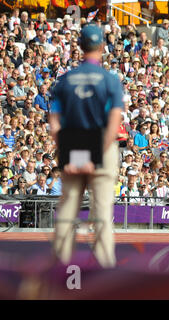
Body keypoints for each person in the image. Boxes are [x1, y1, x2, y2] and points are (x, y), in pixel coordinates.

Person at [49, 25, 123, 269]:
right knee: (102, 212)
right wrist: (95, 155)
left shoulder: (65, 81)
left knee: (68, 208)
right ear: (102, 47)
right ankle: (103, 271)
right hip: (100, 147)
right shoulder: (110, 81)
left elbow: (55, 123)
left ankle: (60, 267)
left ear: (80, 46)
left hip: (73, 146)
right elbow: (113, 125)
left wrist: (69, 155)